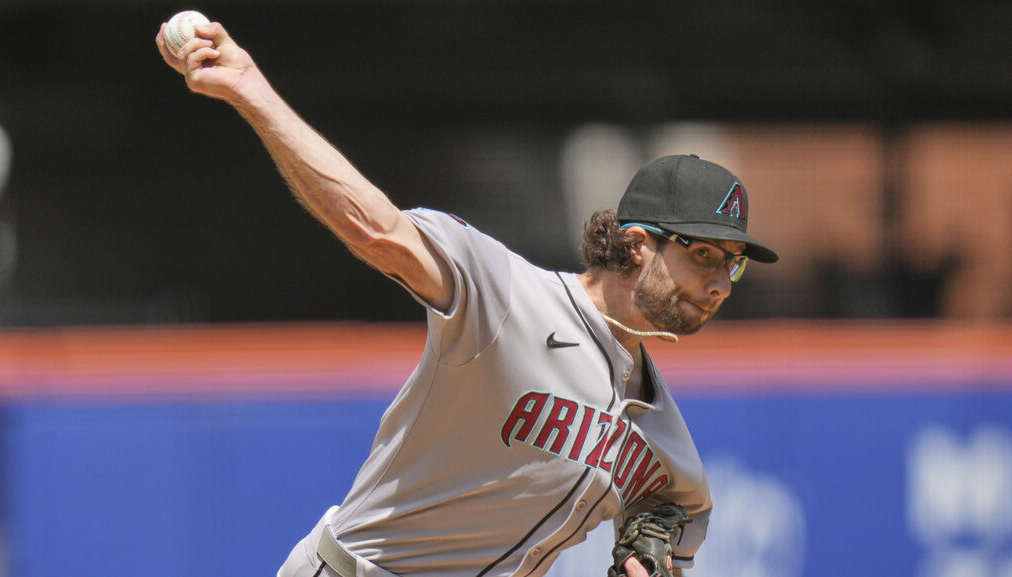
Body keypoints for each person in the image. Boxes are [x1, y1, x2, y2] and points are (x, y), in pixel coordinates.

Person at [156, 17, 778, 577]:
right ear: (638, 244)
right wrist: (251, 92)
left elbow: (678, 506)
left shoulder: (664, 438)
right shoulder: (506, 294)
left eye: (732, 266)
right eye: (703, 255)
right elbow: (375, 228)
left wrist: (650, 544)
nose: (720, 281)